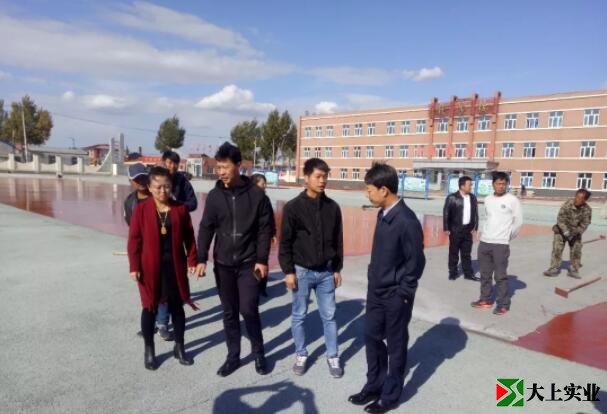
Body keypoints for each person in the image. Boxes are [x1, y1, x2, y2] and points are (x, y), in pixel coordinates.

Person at [348, 163, 425, 414]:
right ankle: (374, 385)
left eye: (369, 189)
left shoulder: (406, 220)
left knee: (396, 344)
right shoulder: (383, 214)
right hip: (376, 291)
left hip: (395, 296)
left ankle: (390, 396)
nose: (367, 194)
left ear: (384, 190)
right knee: (371, 336)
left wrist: (403, 293)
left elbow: (416, 262)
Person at [197, 142, 273, 377]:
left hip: (249, 262)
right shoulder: (214, 196)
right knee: (229, 311)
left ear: (238, 165)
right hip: (223, 264)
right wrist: (201, 257)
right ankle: (233, 356)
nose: (220, 172)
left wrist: (262, 259)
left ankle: (259, 353)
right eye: (218, 167)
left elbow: (264, 230)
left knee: (248, 308)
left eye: (225, 167)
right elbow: (206, 227)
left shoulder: (257, 195)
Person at [127, 166, 202, 370]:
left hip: (175, 266)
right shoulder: (141, 209)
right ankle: (149, 350)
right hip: (150, 268)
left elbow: (189, 237)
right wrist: (134, 266)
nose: (163, 191)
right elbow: (134, 240)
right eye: (158, 187)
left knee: (177, 307)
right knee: (149, 308)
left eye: (167, 186)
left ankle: (179, 347)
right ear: (150, 187)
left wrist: (192, 261)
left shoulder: (180, 209)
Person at [279, 158, 344, 378]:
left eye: (325, 176)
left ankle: (333, 356)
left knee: (329, 316)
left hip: (326, 272)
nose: (322, 181)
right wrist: (288, 271)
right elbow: (285, 242)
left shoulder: (332, 207)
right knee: (299, 315)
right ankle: (301, 354)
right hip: (302, 272)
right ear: (306, 177)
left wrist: (337, 268)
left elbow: (338, 240)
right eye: (318, 176)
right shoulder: (293, 208)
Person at [471, 171, 523, 316]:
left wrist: (507, 237)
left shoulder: (512, 200)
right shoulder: (488, 199)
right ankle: (485, 299)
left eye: (504, 184)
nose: (501, 186)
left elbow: (518, 222)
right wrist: (481, 231)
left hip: (500, 244)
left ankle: (503, 304)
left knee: (500, 276)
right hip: (485, 242)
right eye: (498, 183)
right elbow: (487, 217)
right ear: (493, 184)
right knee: (485, 274)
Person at [158, 151, 198, 338]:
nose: (172, 166)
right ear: (162, 162)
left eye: (175, 163)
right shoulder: (155, 178)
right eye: (169, 162)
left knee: (173, 281)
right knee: (158, 282)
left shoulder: (182, 182)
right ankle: (157, 321)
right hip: (157, 233)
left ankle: (167, 320)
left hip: (176, 231)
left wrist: (177, 206)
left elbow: (193, 203)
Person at [543, 189, 592, 279]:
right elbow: (560, 219)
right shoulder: (567, 204)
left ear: (584, 200)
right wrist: (566, 232)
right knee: (557, 249)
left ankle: (573, 270)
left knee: (576, 251)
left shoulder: (587, 210)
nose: (576, 199)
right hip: (561, 230)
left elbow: (584, 224)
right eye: (576, 196)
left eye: (579, 198)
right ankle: (553, 269)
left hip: (575, 233)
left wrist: (575, 233)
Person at [443, 176, 480, 281]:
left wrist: (475, 226)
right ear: (462, 186)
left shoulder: (473, 197)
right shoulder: (452, 197)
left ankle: (468, 274)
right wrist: (446, 227)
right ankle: (453, 273)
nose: (471, 187)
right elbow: (446, 213)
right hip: (455, 230)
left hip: (468, 230)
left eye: (471, 185)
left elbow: (475, 213)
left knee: (466, 254)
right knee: (454, 253)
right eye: (469, 185)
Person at [251, 173, 277, 297]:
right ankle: (254, 286)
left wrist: (273, 233)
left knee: (263, 260)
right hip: (251, 237)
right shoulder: (247, 198)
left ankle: (262, 287)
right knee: (252, 262)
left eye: (265, 184)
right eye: (262, 184)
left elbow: (271, 217)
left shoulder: (265, 199)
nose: (264, 186)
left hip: (263, 236)